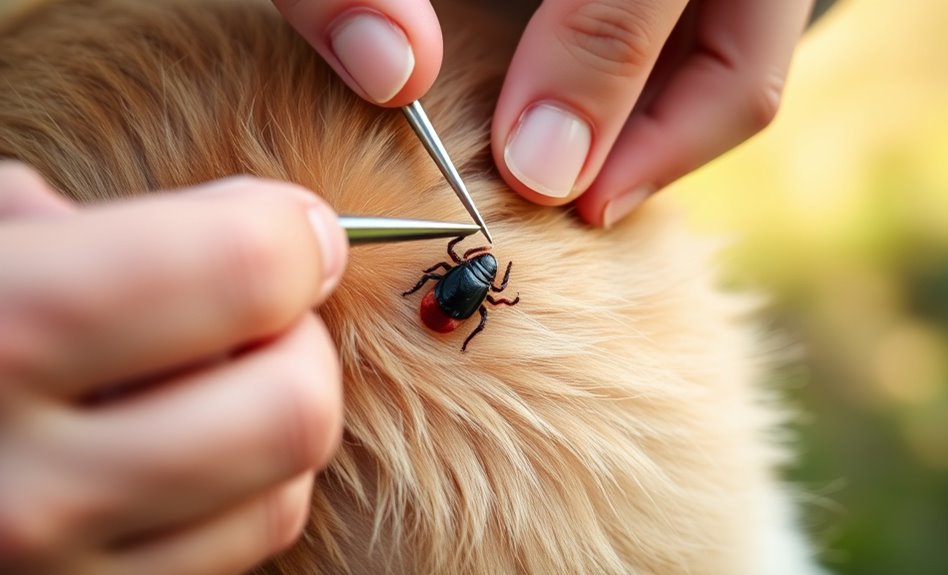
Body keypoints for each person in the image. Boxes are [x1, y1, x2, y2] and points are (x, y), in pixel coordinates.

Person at [0, 0, 812, 572]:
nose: (475, 280)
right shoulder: (474, 289)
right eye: (476, 275)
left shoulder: (453, 278)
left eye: (476, 276)